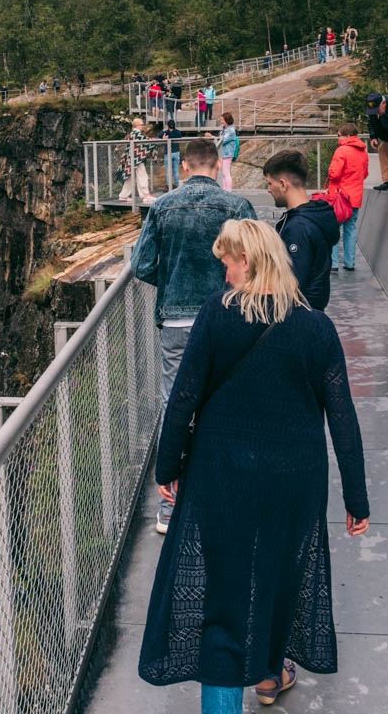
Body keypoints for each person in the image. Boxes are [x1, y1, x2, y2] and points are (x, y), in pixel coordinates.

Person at [138, 219, 369, 712]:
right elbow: (342, 416)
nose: (224, 274)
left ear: (248, 261)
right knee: (280, 577)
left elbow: (184, 398)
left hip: (224, 477)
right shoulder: (316, 327)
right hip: (294, 482)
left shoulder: (217, 317)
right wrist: (356, 498)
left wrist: (167, 467)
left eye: (227, 262)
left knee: (223, 599)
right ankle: (269, 676)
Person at [131, 137, 257, 533]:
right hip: (230, 319)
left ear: (183, 167)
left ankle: (171, 509)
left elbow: (141, 265)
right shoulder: (237, 206)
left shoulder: (163, 206)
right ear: (218, 165)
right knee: (230, 403)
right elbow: (257, 261)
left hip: (179, 323)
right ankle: (229, 499)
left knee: (176, 405)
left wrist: (169, 284)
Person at [263, 149, 339, 310]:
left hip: (298, 318)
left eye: (270, 183)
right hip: (311, 315)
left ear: (283, 184)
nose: (269, 189)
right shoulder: (312, 217)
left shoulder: (298, 228)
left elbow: (291, 285)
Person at [327, 123, 369, 271]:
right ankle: (350, 263)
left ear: (347, 136)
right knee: (350, 230)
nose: (338, 138)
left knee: (334, 229)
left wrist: (330, 170)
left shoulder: (341, 150)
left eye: (339, 135)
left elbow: (334, 174)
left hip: (340, 197)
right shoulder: (363, 152)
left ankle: (333, 263)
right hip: (355, 198)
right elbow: (364, 174)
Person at [118, 118, 157, 203]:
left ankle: (123, 196)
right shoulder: (137, 133)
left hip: (132, 158)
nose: (143, 126)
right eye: (142, 124)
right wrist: (156, 140)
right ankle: (146, 196)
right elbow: (147, 142)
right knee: (142, 176)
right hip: (137, 159)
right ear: (137, 125)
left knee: (130, 178)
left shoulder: (133, 133)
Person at [208, 111, 238, 191]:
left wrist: (212, 136)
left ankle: (228, 191)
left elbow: (223, 140)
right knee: (223, 173)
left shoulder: (231, 130)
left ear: (227, 120)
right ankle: (224, 189)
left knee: (226, 173)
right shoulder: (224, 129)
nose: (221, 122)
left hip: (227, 154)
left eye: (222, 120)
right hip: (223, 154)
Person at [159, 119, 183, 188]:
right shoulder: (178, 132)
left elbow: (159, 135)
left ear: (168, 126)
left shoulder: (166, 132)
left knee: (168, 170)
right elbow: (180, 136)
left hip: (168, 153)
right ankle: (176, 184)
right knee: (176, 169)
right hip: (176, 152)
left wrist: (164, 131)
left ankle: (168, 185)